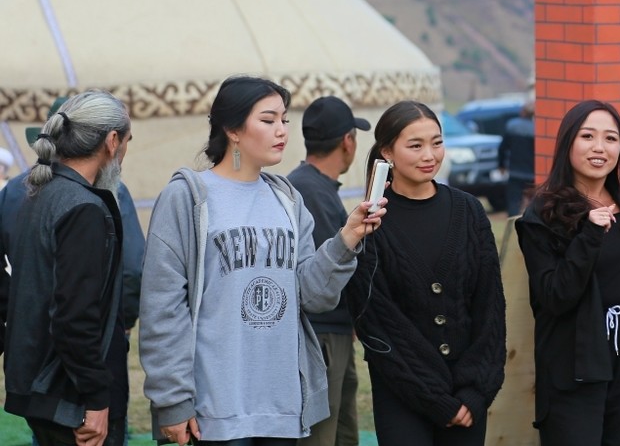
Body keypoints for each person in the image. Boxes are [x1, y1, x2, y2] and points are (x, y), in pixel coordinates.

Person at [139, 76, 385, 446]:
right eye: (268, 120)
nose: (282, 130)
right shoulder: (187, 198)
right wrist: (173, 400)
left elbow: (311, 296)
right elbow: (162, 308)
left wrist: (347, 238)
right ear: (233, 130)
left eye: (284, 120)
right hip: (214, 408)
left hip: (280, 406)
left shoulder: (287, 200)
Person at [514, 99, 620, 446]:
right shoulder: (544, 214)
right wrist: (590, 234)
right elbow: (555, 295)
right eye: (587, 136)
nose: (599, 148)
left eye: (610, 138)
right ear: (568, 143)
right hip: (574, 359)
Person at [344, 100, 506, 446]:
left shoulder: (469, 211)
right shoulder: (370, 222)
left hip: (466, 397)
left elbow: (490, 307)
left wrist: (475, 390)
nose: (429, 155)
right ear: (388, 152)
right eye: (415, 145)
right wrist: (434, 398)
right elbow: (377, 322)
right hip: (401, 393)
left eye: (437, 142)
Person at [3, 90, 133, 446]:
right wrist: (96, 399)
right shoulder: (82, 208)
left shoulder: (37, 193)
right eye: (127, 141)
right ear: (112, 141)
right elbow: (74, 316)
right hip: (70, 399)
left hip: (39, 388)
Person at [289, 96, 371, 446]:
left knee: (342, 435)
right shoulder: (311, 191)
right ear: (347, 141)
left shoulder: (312, 186)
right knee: (323, 438)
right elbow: (325, 274)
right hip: (321, 336)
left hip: (332, 331)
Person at [498, 100, 535, 216]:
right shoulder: (536, 129)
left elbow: (502, 148)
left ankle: (512, 223)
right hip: (532, 174)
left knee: (514, 202)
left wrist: (501, 165)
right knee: (533, 203)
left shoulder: (512, 125)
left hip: (515, 172)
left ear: (522, 112)